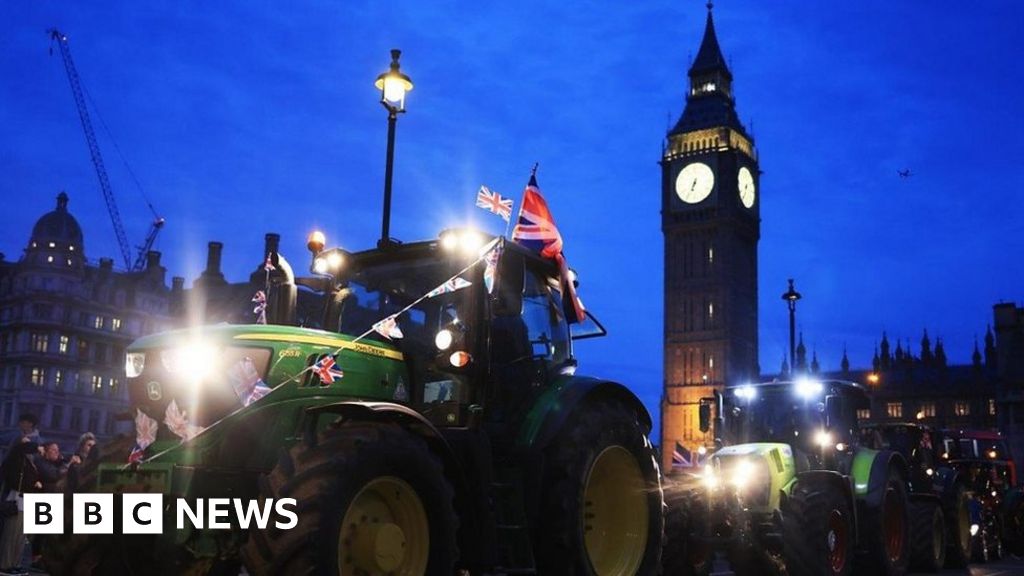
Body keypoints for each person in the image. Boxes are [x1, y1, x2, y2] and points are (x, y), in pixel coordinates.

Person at [0, 436, 41, 574]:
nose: (28, 445)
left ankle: (15, 563)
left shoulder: (26, 460)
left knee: (20, 537)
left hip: (25, 500)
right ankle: (6, 564)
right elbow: (13, 479)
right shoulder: (14, 460)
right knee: (11, 535)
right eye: (25, 443)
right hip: (16, 500)